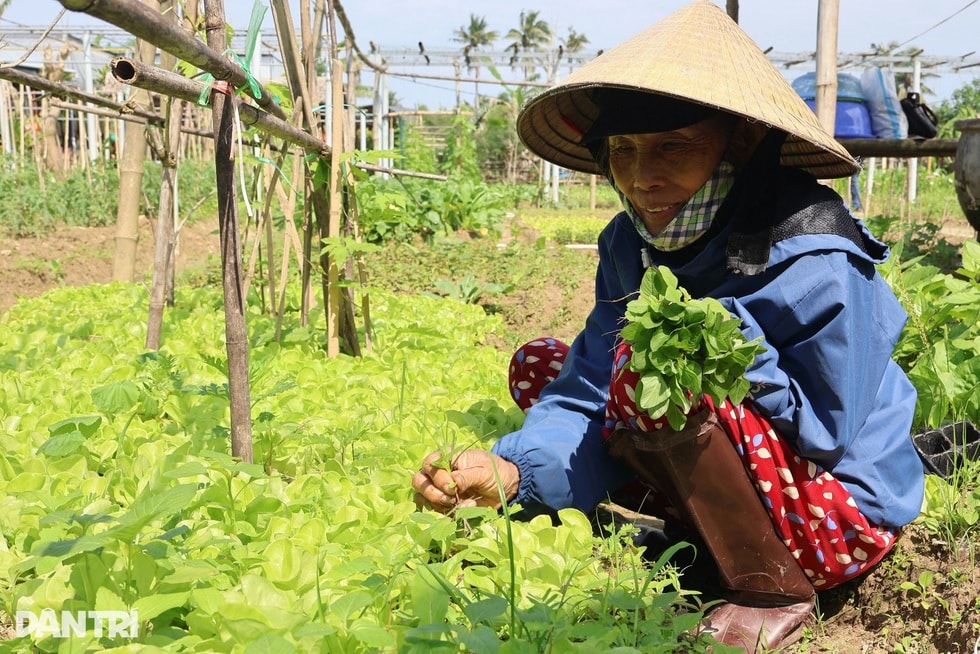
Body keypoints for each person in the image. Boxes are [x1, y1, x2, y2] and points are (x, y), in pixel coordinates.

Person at [412, 2, 924, 651]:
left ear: (738, 141)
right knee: (546, 364)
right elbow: (586, 386)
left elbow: (828, 431)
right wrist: (510, 471)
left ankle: (768, 587)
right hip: (744, 464)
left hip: (837, 514)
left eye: (672, 147)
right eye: (622, 150)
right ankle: (689, 518)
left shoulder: (819, 259)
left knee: (657, 360)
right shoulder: (629, 243)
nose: (640, 177)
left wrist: (717, 334)